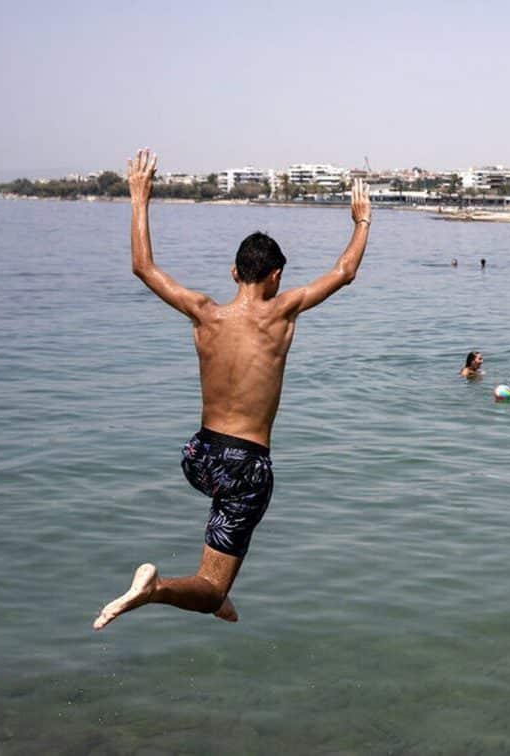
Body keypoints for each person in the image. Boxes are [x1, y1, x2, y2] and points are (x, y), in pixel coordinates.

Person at [93, 149, 372, 630]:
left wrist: (139, 197)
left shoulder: (204, 313)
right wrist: (362, 221)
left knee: (218, 561)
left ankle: (213, 592)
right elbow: (344, 272)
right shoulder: (282, 312)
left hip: (199, 456)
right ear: (275, 276)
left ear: (233, 272)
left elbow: (143, 266)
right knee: (212, 587)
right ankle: (162, 590)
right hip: (245, 466)